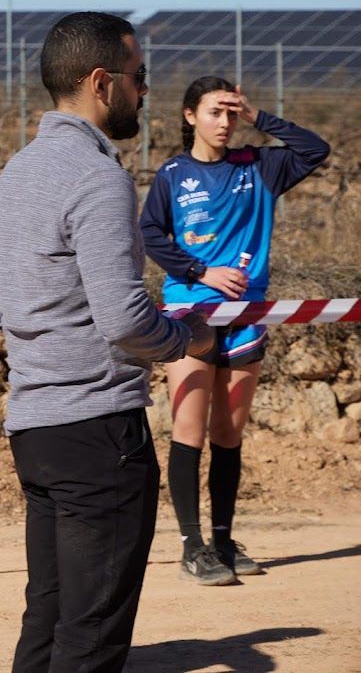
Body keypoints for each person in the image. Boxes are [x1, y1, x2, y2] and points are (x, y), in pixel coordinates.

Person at [0, 11, 215, 673]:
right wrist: (185, 337)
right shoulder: (96, 175)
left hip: (34, 429)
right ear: (100, 82)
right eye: (139, 78)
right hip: (99, 434)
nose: (144, 92)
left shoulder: (10, 179)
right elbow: (120, 317)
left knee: (49, 620)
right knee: (90, 637)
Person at [140, 77, 329, 585]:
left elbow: (316, 149)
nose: (223, 123)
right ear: (189, 117)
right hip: (190, 317)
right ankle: (191, 546)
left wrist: (259, 117)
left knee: (228, 434)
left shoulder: (261, 167)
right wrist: (200, 273)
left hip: (246, 318)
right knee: (189, 431)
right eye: (214, 112)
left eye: (230, 113)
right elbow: (150, 232)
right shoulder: (173, 175)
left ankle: (223, 539)